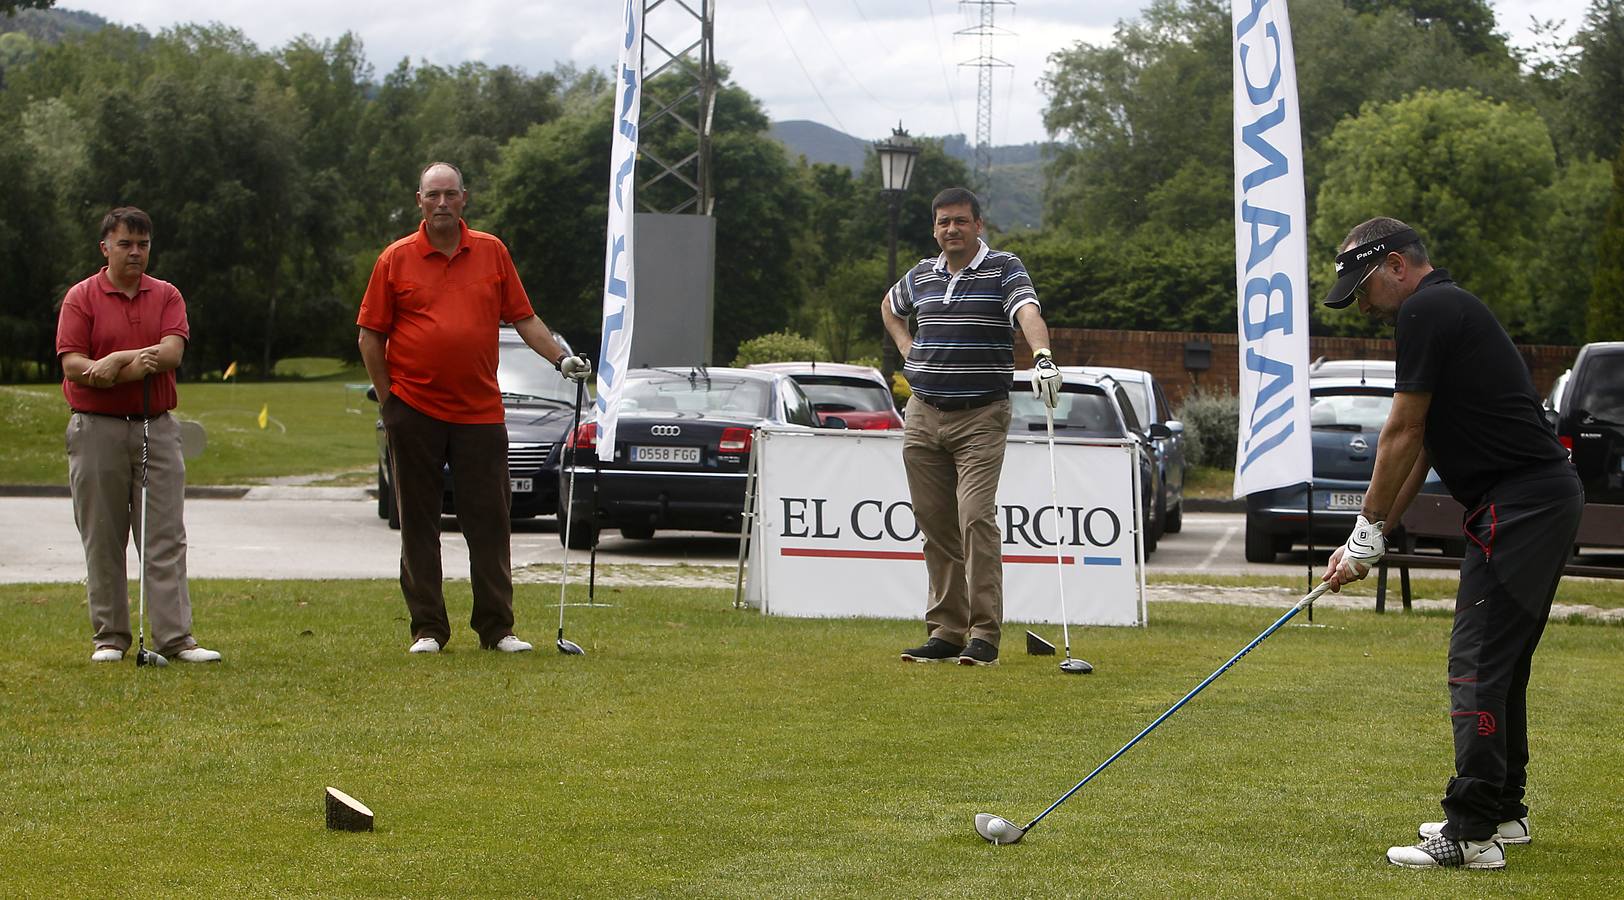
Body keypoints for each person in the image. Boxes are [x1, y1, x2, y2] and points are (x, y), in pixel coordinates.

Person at [1319, 217, 1583, 871]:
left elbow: (1400, 432)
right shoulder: (1449, 308)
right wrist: (1375, 538)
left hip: (1520, 505)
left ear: (1397, 267)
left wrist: (1364, 528)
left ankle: (1469, 835)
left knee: (1475, 668)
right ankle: (1501, 811)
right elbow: (1427, 444)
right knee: (1504, 664)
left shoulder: (1427, 310)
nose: (1365, 305)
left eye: (1365, 287)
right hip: (1534, 500)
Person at [358, 162, 589, 655]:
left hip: (480, 412)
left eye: (450, 195)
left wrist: (560, 358)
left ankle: (497, 628)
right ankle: (428, 629)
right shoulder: (394, 259)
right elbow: (370, 336)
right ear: (418, 201)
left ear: (465, 198)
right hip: (414, 409)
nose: (441, 203)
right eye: (432, 195)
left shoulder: (491, 252)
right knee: (418, 521)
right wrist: (389, 399)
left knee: (489, 520)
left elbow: (524, 318)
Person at [881, 186, 1061, 666]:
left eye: (960, 221)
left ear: (978, 225)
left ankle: (984, 635)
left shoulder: (1004, 267)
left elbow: (1027, 311)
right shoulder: (921, 274)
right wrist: (907, 351)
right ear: (935, 228)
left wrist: (1042, 356)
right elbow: (889, 307)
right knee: (935, 526)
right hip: (923, 413)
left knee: (975, 518)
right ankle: (946, 631)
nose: (951, 230)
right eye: (943, 223)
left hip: (981, 416)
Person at [55, 207, 220, 664]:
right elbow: (74, 366)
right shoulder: (81, 297)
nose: (135, 252)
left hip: (156, 427)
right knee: (103, 536)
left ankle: (175, 639)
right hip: (96, 431)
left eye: (142, 244)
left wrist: (113, 361)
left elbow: (169, 355)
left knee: (164, 535)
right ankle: (110, 637)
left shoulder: (166, 295)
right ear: (105, 247)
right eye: (125, 243)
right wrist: (104, 370)